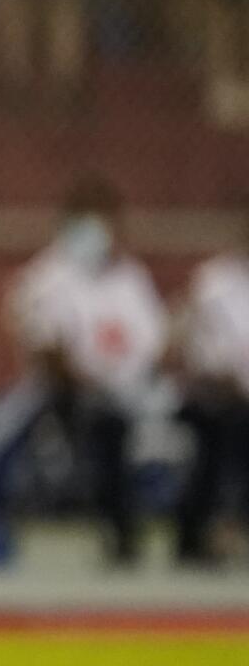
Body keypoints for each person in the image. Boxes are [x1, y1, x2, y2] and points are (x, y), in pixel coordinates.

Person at [0, 177, 171, 563]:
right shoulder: (45, 277)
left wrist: (134, 379)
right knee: (107, 423)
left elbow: (157, 341)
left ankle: (198, 533)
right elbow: (44, 348)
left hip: (134, 390)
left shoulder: (130, 277)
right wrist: (88, 379)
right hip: (70, 395)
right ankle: (121, 529)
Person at [175, 202, 249, 563]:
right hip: (217, 397)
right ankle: (207, 528)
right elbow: (201, 349)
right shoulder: (214, 282)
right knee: (228, 427)